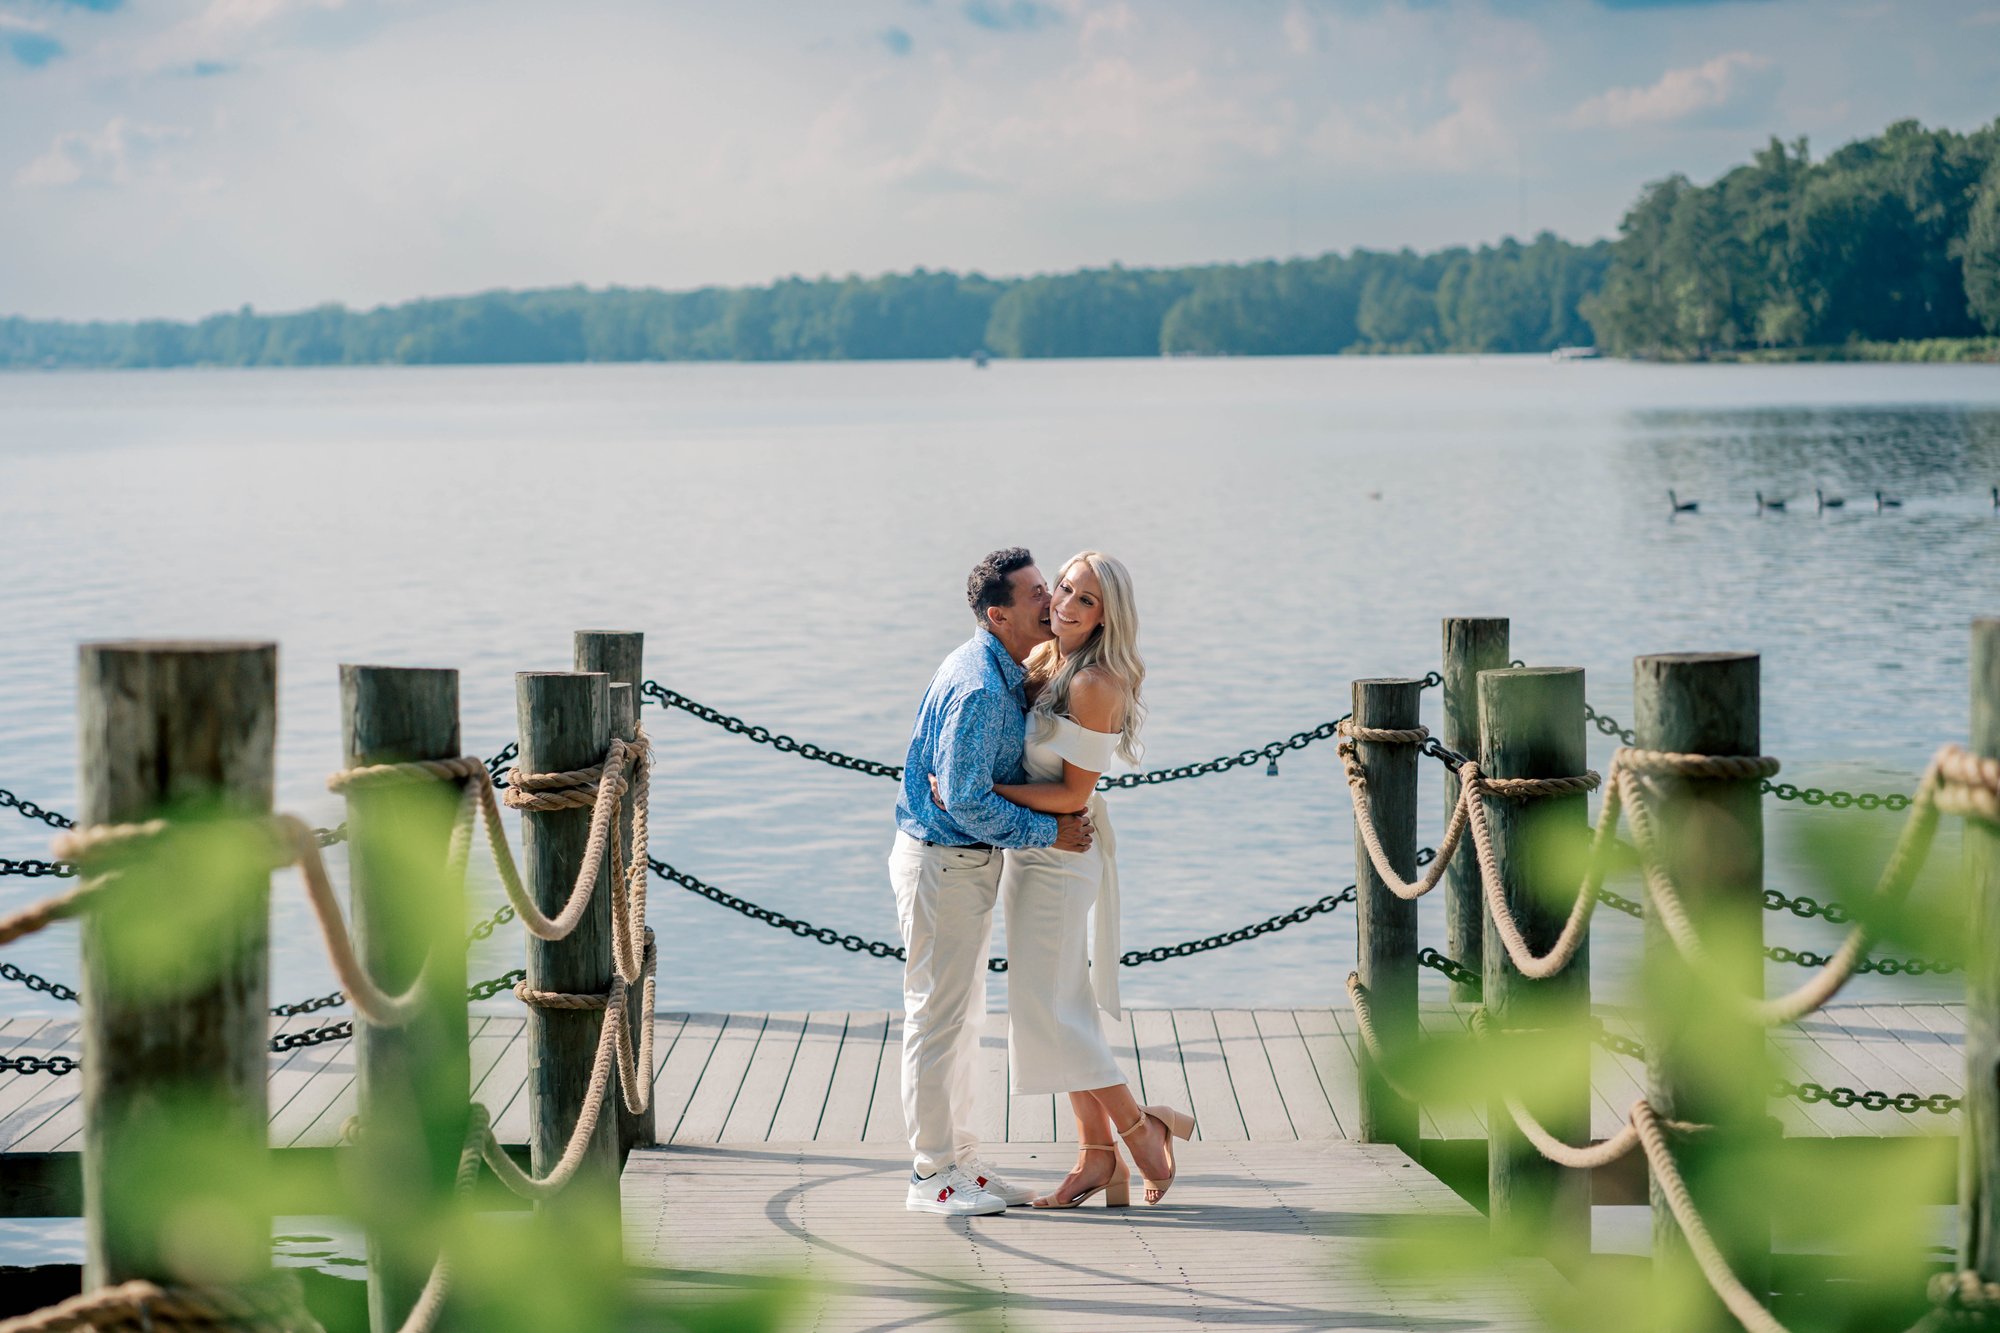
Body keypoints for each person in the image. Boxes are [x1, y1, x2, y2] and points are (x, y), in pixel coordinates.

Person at [952, 551, 1194, 1208]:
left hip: (1061, 858)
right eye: (1062, 588)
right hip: (1032, 853)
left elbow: (1071, 795)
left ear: (1107, 615)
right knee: (1059, 1007)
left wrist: (979, 792)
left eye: (1085, 599)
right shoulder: (1044, 660)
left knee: (1051, 1011)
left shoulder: (1095, 683)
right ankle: (1097, 1157)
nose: (1064, 603)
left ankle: (1142, 1131)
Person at [889, 547, 1095, 1216]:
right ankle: (930, 1175)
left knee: (960, 1017)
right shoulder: (980, 686)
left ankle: (961, 1164)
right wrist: (1050, 832)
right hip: (943, 862)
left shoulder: (1006, 670)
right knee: (937, 1018)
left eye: (1048, 588)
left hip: (962, 864)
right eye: (1036, 593)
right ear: (998, 614)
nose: (1051, 600)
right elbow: (965, 798)